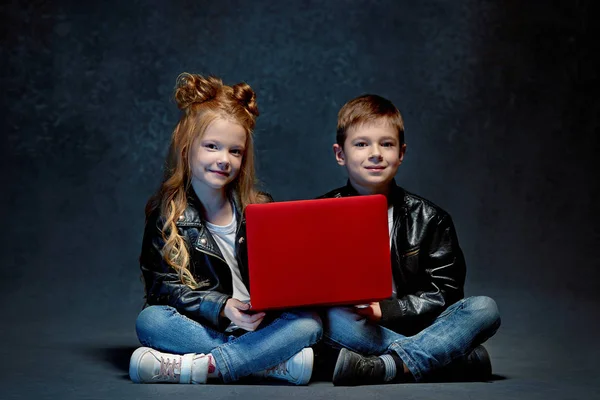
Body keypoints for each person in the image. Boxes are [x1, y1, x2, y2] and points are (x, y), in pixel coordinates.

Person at [129, 73, 322, 385]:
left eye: (235, 151)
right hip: (206, 325)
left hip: (259, 325)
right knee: (151, 321)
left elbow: (284, 273)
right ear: (186, 147)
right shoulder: (168, 215)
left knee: (310, 323)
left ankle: (199, 368)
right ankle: (265, 363)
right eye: (212, 146)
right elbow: (162, 289)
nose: (224, 159)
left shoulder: (259, 206)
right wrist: (221, 307)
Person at [317, 94, 501, 386]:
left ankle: (388, 366)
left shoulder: (430, 219)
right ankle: (449, 359)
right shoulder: (318, 215)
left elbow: (446, 294)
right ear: (340, 154)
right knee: (326, 319)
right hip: (356, 328)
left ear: (401, 153)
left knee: (483, 308)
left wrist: (386, 310)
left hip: (420, 326)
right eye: (361, 144)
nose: (375, 153)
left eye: (386, 144)